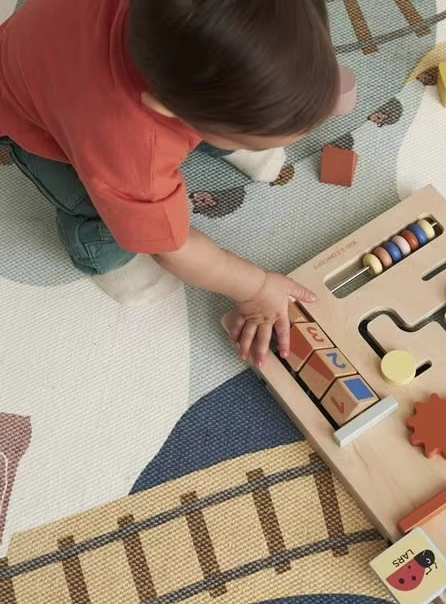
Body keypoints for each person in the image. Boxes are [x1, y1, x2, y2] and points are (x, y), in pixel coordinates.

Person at [0, 0, 341, 366]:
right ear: (169, 111)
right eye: (250, 138)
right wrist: (256, 286)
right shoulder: (132, 149)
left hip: (60, 48)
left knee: (227, 86)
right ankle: (101, 252)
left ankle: (230, 129)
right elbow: (172, 248)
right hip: (31, 118)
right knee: (105, 210)